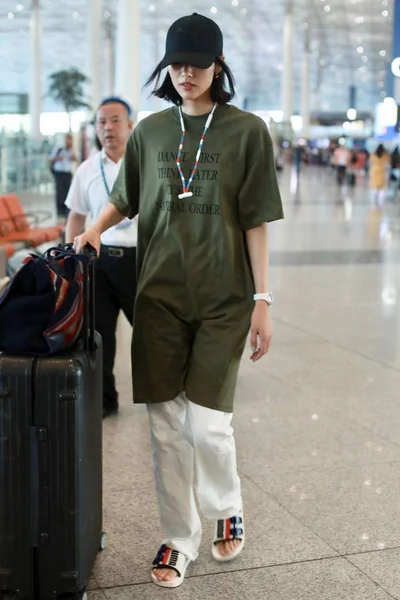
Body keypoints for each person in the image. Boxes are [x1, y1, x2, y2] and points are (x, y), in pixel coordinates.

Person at [74, 12, 283, 588]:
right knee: (166, 426)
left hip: (224, 297)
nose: (186, 74)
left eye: (197, 64)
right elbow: (127, 196)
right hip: (160, 296)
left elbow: (257, 219)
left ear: (219, 65)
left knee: (210, 427)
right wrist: (95, 228)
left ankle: (225, 508)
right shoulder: (152, 131)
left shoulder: (246, 131)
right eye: (177, 65)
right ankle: (178, 536)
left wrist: (263, 298)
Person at [65, 97, 137, 419]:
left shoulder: (144, 163)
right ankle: (105, 401)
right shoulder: (87, 169)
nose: (107, 128)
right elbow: (76, 217)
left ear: (130, 125)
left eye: (115, 120)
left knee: (152, 334)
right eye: (101, 122)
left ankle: (164, 396)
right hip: (101, 262)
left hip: (142, 261)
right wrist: (70, 263)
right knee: (100, 334)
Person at [50, 133, 78, 218]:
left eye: (70, 140)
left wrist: (72, 152)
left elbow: (76, 159)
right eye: (67, 139)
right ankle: (60, 211)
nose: (68, 141)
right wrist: (58, 158)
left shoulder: (71, 150)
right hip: (59, 173)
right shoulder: (58, 149)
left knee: (68, 192)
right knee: (60, 192)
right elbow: (51, 159)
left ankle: (67, 210)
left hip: (67, 173)